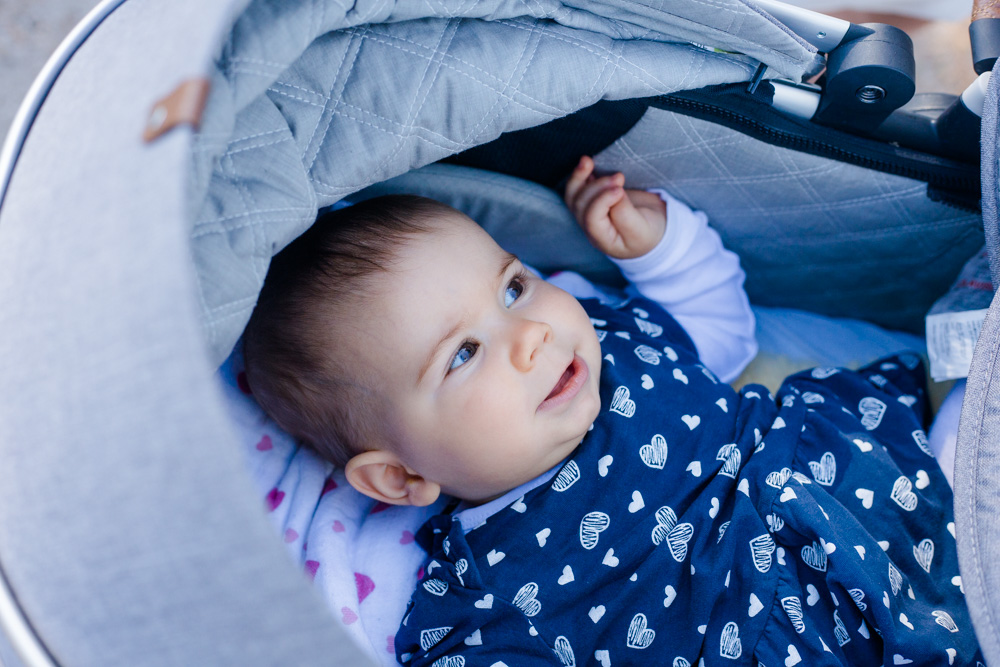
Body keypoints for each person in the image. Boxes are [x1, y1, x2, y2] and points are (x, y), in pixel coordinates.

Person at [242, 157, 982, 666]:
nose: (529, 336)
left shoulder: (608, 335)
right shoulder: (484, 602)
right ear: (402, 477)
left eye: (512, 288)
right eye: (463, 354)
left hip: (868, 489)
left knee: (972, 400)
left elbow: (722, 333)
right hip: (778, 636)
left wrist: (662, 250)